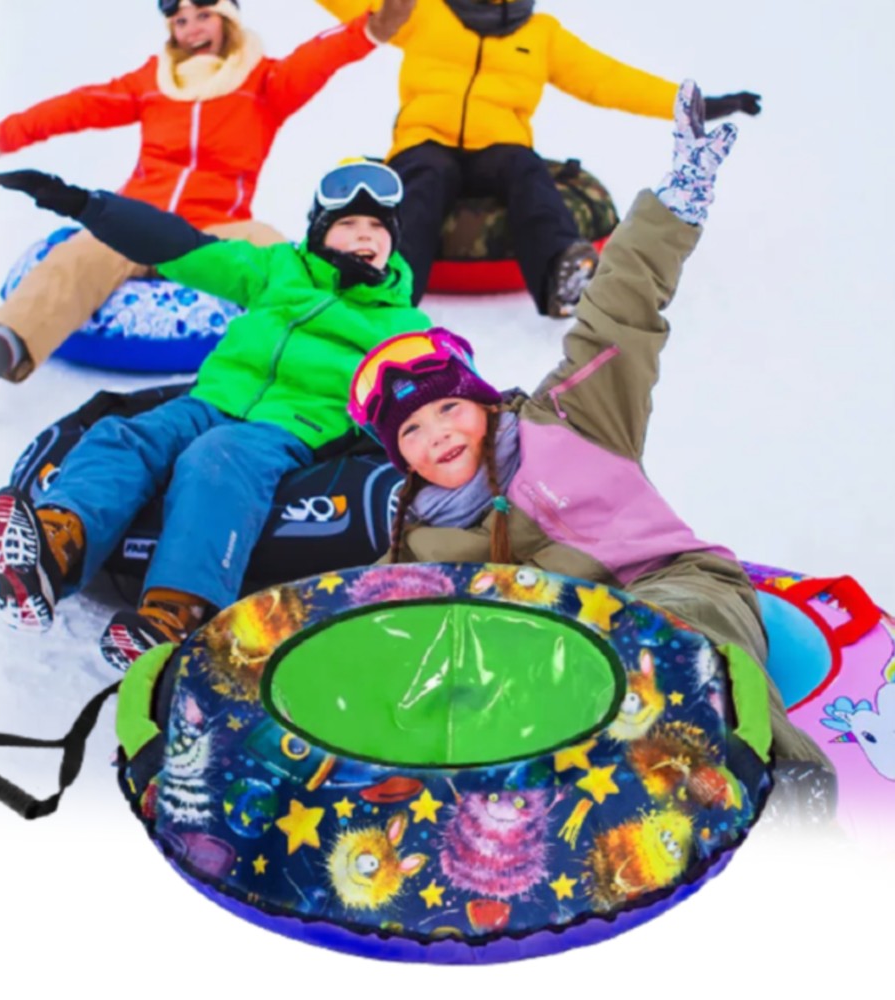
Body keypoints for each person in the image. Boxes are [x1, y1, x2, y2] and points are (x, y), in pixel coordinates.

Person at [345, 81, 836, 811]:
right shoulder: (417, 548)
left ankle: (775, 784)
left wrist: (676, 200)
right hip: (563, 661)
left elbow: (620, 305)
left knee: (671, 639)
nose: (437, 432)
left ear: (483, 402)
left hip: (669, 584)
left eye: (448, 407)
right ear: (401, 460)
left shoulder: (570, 417)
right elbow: (371, 639)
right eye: (411, 430)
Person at [0, 159, 431, 673]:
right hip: (211, 400)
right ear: (319, 232)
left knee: (216, 458)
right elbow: (182, 249)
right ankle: (55, 547)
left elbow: (446, 391)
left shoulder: (403, 324)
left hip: (291, 429)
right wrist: (87, 205)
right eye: (348, 223)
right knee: (126, 435)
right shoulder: (277, 269)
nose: (365, 234)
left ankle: (177, 613)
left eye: (377, 226)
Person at [0, 0, 416, 408]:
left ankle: (348, 341)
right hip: (138, 218)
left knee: (281, 257)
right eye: (181, 21)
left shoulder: (263, 83)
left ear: (227, 20)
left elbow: (320, 56)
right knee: (78, 256)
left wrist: (377, 25)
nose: (192, 30)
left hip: (218, 225)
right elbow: (75, 107)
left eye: (203, 16)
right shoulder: (154, 82)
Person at [314, 0, 761, 316]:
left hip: (500, 145)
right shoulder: (424, 9)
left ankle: (562, 277)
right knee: (422, 178)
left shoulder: (541, 33)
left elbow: (607, 78)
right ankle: (390, 290)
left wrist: (697, 104)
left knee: (526, 171)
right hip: (425, 139)